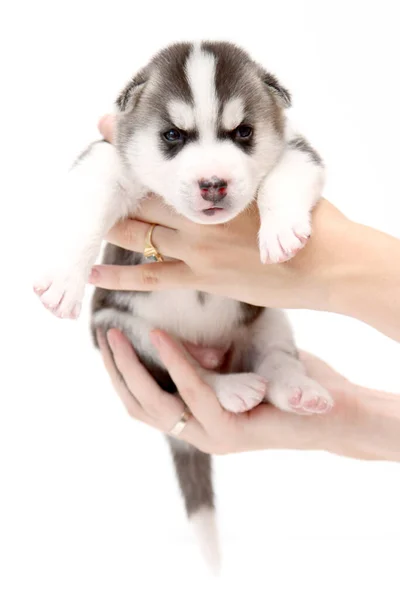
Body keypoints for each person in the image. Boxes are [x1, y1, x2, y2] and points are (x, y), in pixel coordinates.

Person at [92, 115, 400, 462]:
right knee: (112, 324)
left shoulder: (272, 146)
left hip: (235, 326)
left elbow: (300, 161)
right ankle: (210, 381)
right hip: (148, 329)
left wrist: (312, 261)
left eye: (240, 132)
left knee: (267, 319)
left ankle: (280, 369)